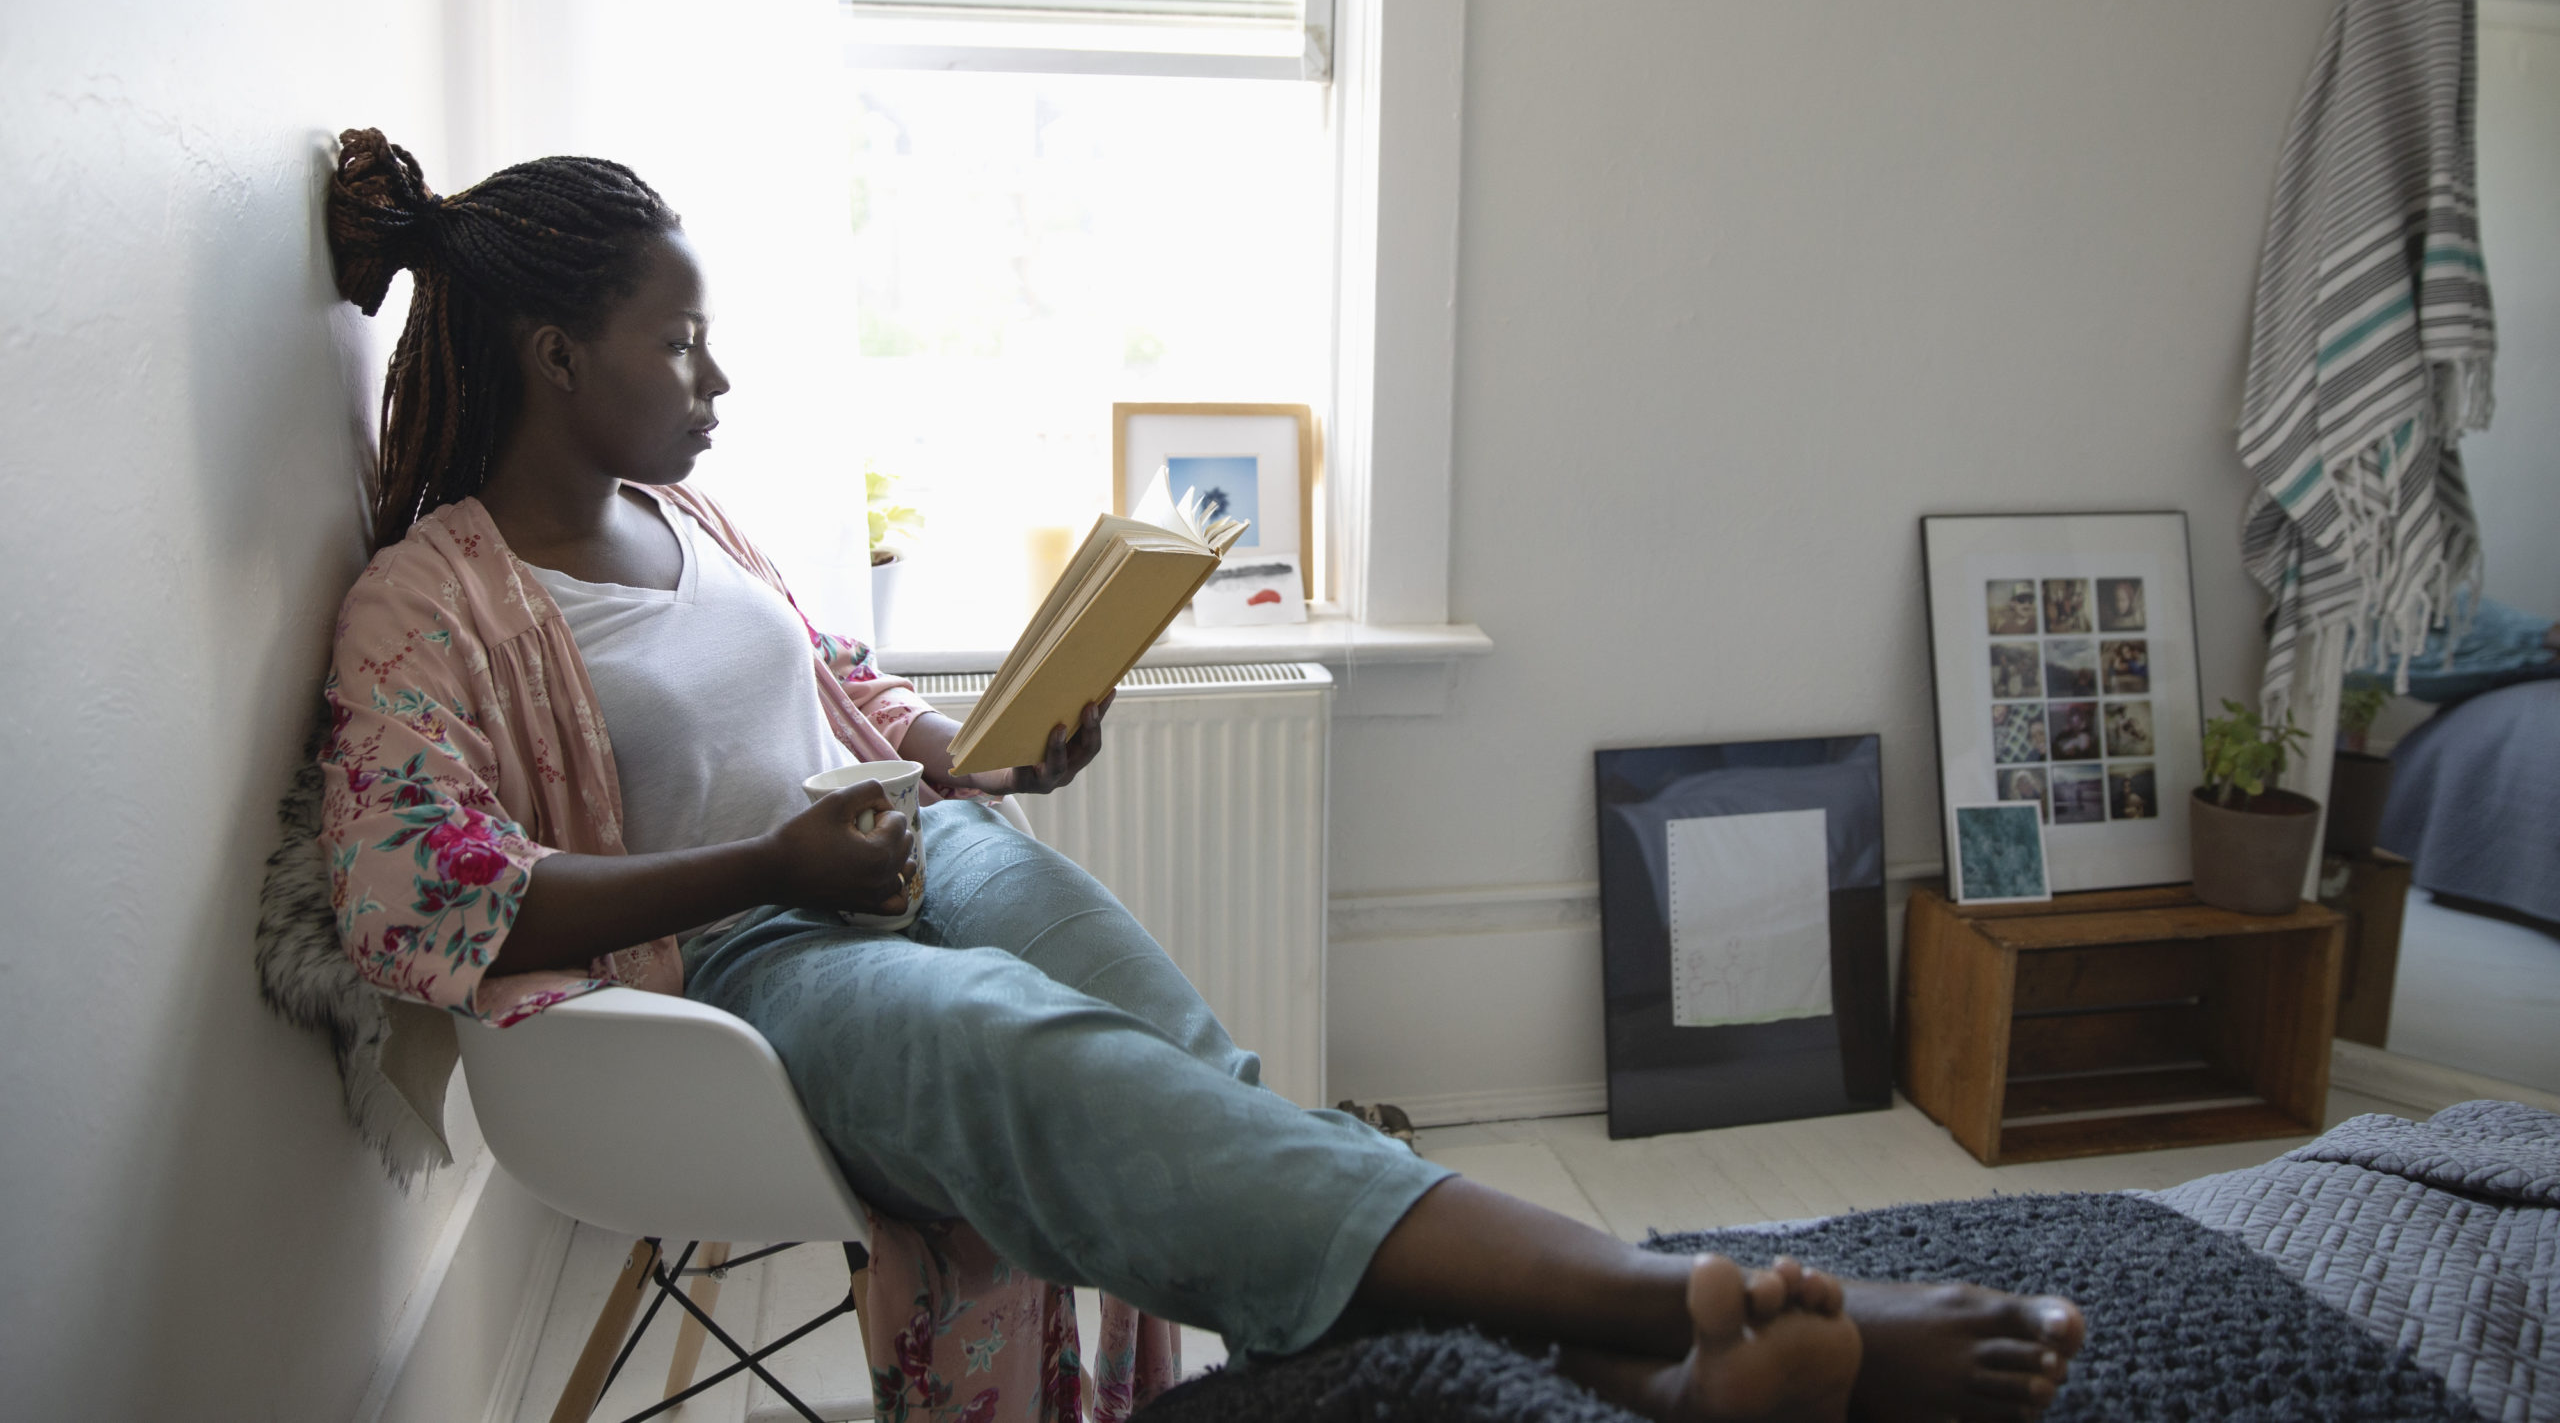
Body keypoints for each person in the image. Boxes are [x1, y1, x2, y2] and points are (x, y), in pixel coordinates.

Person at [318, 131, 2083, 1423]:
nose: (718, 377)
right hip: (745, 963)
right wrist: (772, 866)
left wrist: (974, 750)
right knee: (1043, 1069)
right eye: (678, 342)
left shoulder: (684, 514)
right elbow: (428, 898)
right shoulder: (431, 598)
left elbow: (834, 683)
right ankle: (1660, 1304)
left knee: (1184, 1070)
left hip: (909, 856)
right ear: (557, 359)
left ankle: (1635, 1362)